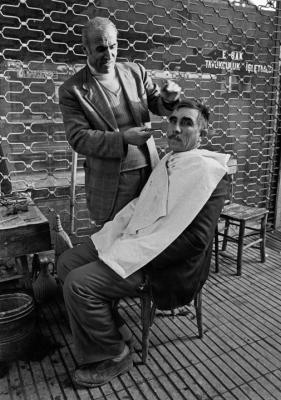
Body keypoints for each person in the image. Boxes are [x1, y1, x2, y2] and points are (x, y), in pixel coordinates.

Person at [57, 99, 229, 388]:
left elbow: (195, 241)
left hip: (165, 266)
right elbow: (149, 207)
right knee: (67, 263)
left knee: (78, 283)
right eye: (172, 121)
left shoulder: (209, 174)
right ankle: (112, 327)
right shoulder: (169, 161)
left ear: (203, 134)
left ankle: (114, 354)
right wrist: (124, 239)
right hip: (137, 242)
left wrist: (133, 255)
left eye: (186, 123)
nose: (175, 128)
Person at [59, 17, 181, 229]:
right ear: (85, 49)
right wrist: (123, 138)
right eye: (100, 49)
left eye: (113, 46)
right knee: (114, 236)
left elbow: (157, 106)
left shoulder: (136, 72)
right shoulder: (73, 89)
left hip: (150, 171)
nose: (109, 55)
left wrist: (170, 99)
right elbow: (78, 138)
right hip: (111, 183)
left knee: (149, 230)